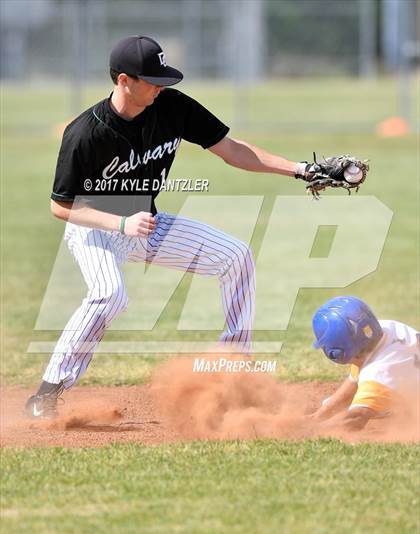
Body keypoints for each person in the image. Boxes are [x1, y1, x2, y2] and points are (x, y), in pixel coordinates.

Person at [25, 35, 312, 418]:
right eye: (152, 80)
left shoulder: (173, 107)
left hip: (145, 223)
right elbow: (61, 206)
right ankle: (47, 392)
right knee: (110, 295)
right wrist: (120, 222)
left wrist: (300, 169)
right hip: (95, 225)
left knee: (236, 257)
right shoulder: (85, 133)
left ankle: (234, 373)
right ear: (124, 80)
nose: (161, 87)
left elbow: (233, 150)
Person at [310, 296, 419, 430]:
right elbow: (354, 381)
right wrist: (318, 416)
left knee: (381, 408)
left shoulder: (378, 373)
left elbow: (355, 418)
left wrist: (311, 430)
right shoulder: (387, 328)